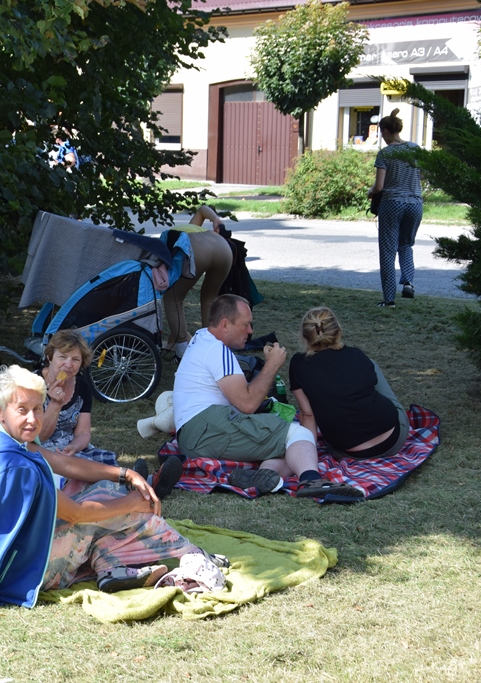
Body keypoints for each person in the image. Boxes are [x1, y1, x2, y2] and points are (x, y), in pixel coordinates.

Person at [0, 365, 212, 607]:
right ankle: (190, 554)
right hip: (9, 573)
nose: (32, 419)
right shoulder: (17, 467)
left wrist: (125, 473)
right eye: (22, 410)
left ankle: (112, 569)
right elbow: (76, 514)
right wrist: (132, 502)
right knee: (115, 506)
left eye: (38, 408)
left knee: (103, 491)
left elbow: (64, 464)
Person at [172, 294, 363, 499]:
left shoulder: (201, 338)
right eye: (245, 324)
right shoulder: (217, 350)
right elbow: (248, 404)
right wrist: (272, 364)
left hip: (194, 433)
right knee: (298, 434)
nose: (250, 331)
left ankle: (264, 474)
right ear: (225, 324)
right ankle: (311, 479)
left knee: (292, 447)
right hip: (206, 428)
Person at [38, 330, 182, 498]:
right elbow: (38, 436)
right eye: (63, 357)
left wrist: (74, 446)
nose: (68, 364)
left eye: (75, 359)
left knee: (96, 465)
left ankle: (142, 485)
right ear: (50, 357)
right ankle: (147, 484)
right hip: (43, 452)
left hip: (70, 450)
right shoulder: (32, 386)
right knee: (83, 474)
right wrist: (55, 405)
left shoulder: (81, 387)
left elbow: (83, 433)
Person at [289, 307, 409, 459]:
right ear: (338, 331)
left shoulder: (298, 364)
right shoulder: (356, 354)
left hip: (350, 452)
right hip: (394, 438)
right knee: (371, 366)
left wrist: (309, 458)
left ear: (305, 336)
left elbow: (307, 415)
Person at [367, 108, 423, 308]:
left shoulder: (385, 154)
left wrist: (370, 192)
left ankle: (389, 299)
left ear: (385, 131)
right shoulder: (415, 149)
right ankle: (408, 282)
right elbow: (422, 175)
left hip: (392, 204)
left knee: (388, 251)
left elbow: (379, 186)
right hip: (415, 204)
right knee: (406, 244)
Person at [161, 205, 233, 359]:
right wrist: (216, 220)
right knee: (209, 299)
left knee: (172, 298)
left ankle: (182, 352)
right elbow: (202, 209)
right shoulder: (194, 228)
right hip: (223, 247)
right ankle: (210, 348)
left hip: (198, 249)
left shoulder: (179, 237)